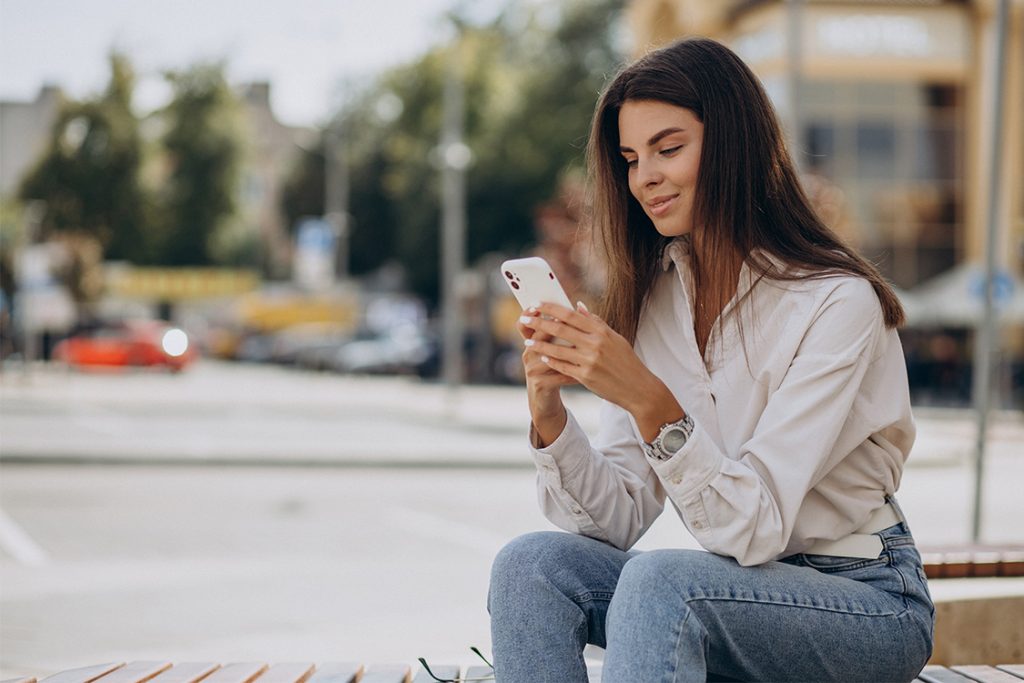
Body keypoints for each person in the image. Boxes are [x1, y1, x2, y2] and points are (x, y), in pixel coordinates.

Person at [487, 38, 934, 683]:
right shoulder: (654, 300)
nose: (644, 177)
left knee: (663, 582)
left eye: (669, 149)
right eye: (631, 158)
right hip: (727, 590)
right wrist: (548, 412)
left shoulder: (837, 302)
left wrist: (649, 400)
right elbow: (615, 518)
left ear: (732, 145)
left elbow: (755, 527)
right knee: (531, 566)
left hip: (867, 601)